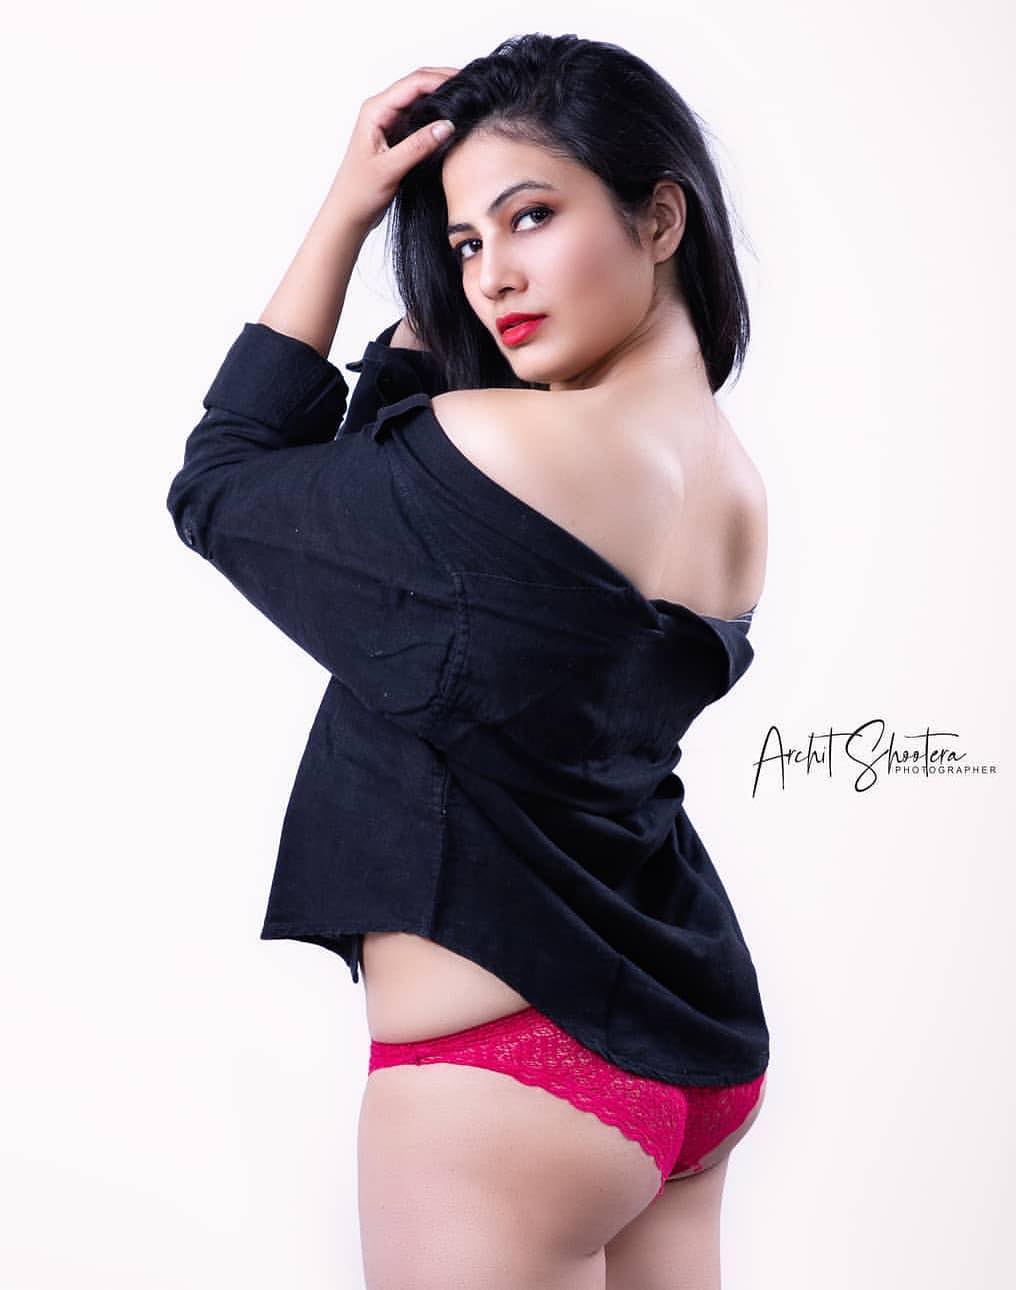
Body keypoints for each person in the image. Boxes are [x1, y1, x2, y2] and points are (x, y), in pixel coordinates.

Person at [167, 32, 770, 1290]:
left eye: (532, 216)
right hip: (689, 1049)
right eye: (461, 244)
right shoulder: (733, 489)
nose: (493, 276)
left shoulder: (504, 448)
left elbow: (223, 484)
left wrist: (347, 212)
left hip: (504, 1085)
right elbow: (393, 482)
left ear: (662, 218)